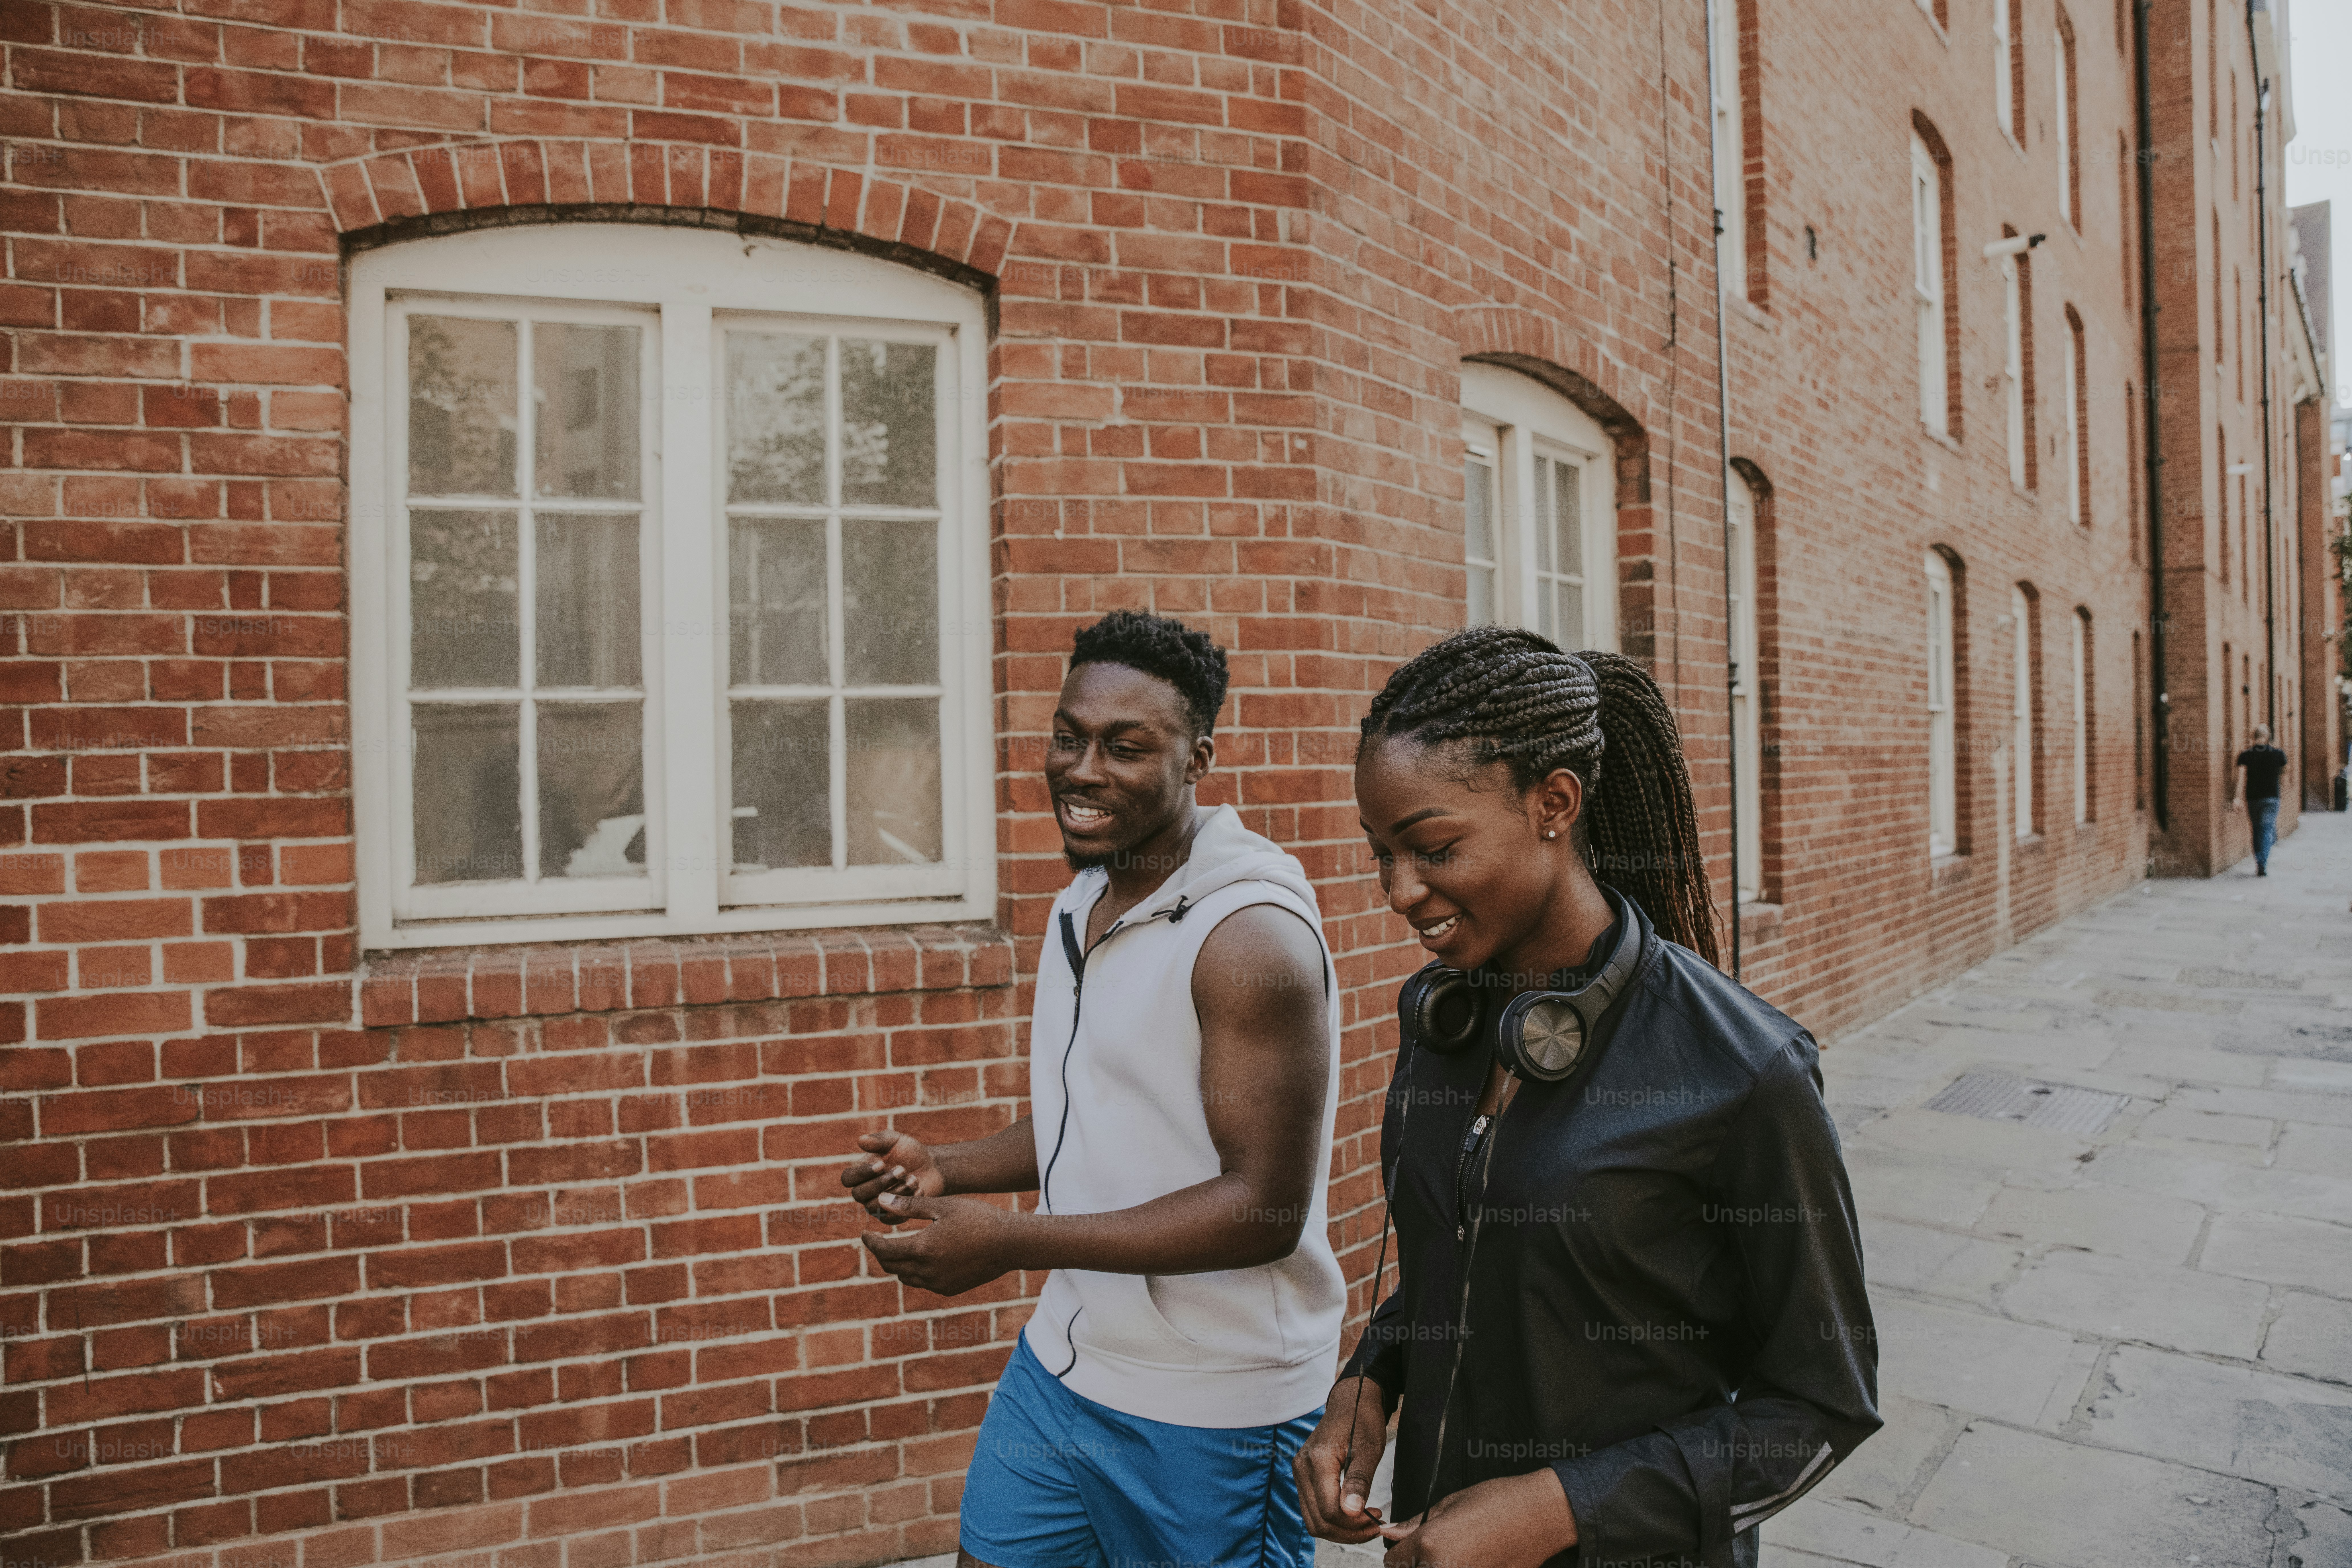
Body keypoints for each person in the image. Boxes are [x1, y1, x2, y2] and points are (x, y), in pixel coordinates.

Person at [1296, 628, 1881, 1568]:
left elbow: (1819, 1407)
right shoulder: (1439, 1016)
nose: (1397, 891)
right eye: (1380, 853)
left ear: (1552, 804)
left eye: (1433, 847)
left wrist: (1556, 1507)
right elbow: (1469, 1246)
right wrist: (1368, 1381)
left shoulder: (1745, 1070)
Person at [841, 609, 1343, 1568]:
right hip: (1066, 1365)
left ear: (1198, 755)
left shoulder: (1247, 938)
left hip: (1214, 1405)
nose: (1082, 770)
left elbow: (1264, 1208)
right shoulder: (1088, 896)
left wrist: (1014, 1240)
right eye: (1069, 737)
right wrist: (948, 1168)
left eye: (1125, 746)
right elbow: (1100, 1105)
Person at [2231, 723, 2288, 876]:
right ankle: (2263, 862)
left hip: (2253, 799)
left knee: (2257, 830)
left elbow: (2241, 778)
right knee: (2266, 829)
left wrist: (2237, 798)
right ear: (2268, 736)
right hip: (2271, 799)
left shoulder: (2246, 755)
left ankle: (2259, 861)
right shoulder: (2278, 754)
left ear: (2253, 737)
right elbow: (2284, 774)